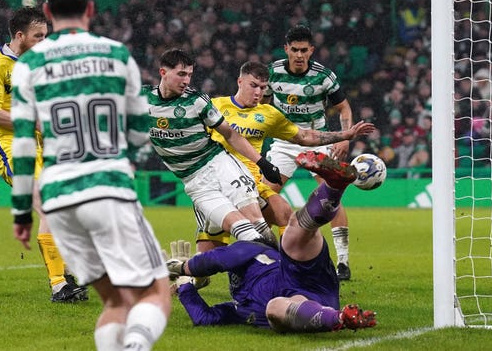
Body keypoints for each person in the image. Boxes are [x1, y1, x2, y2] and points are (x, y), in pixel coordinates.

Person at [10, 0, 171, 350]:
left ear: (47, 11)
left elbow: (21, 144)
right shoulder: (116, 54)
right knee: (156, 293)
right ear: (91, 8)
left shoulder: (27, 66)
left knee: (115, 301)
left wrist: (20, 212)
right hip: (107, 187)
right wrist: (127, 156)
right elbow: (138, 126)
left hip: (59, 199)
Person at [167, 151, 377, 332]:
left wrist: (183, 268)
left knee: (294, 228)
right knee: (275, 308)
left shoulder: (253, 247)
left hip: (299, 275)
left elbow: (224, 257)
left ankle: (333, 186)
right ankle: (340, 318)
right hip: (315, 304)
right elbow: (205, 318)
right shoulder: (239, 307)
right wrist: (184, 285)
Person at [0, 6, 87, 302]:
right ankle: (59, 283)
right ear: (20, 35)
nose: (43, 41)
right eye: (38, 36)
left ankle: (66, 273)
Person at [208, 60, 375, 243]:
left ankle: (287, 265)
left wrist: (345, 135)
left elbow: (304, 137)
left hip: (253, 185)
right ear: (240, 82)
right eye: (253, 86)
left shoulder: (269, 114)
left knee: (284, 213)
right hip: (219, 185)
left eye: (263, 88)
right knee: (216, 248)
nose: (258, 93)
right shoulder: (215, 106)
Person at [144, 48, 282, 253]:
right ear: (163, 72)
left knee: (257, 223)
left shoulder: (197, 101)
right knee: (240, 229)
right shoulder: (142, 99)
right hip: (194, 182)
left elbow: (230, 134)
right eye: (181, 74)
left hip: (219, 164)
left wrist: (263, 163)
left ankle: (281, 272)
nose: (186, 80)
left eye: (189, 75)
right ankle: (248, 271)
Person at [263, 24, 356, 281]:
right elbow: (261, 106)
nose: (300, 55)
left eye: (304, 50)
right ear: (287, 49)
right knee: (264, 196)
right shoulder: (272, 73)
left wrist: (345, 139)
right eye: (295, 50)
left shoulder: (324, 76)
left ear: (312, 50)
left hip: (318, 141)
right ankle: (265, 254)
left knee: (331, 196)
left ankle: (343, 262)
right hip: (284, 142)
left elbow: (344, 109)